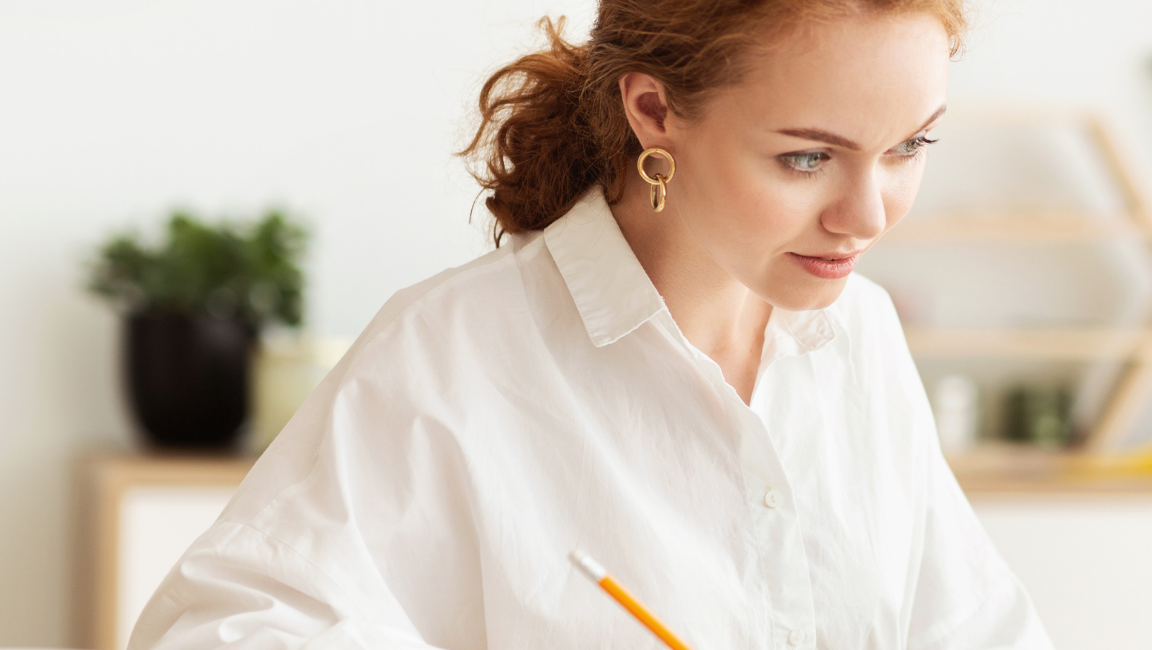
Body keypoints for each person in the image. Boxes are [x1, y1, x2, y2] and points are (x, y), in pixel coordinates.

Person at [129, 1, 1052, 648]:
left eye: (910, 147)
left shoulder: (860, 335)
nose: (870, 215)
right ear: (654, 111)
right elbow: (219, 630)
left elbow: (968, 626)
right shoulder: (456, 352)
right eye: (808, 157)